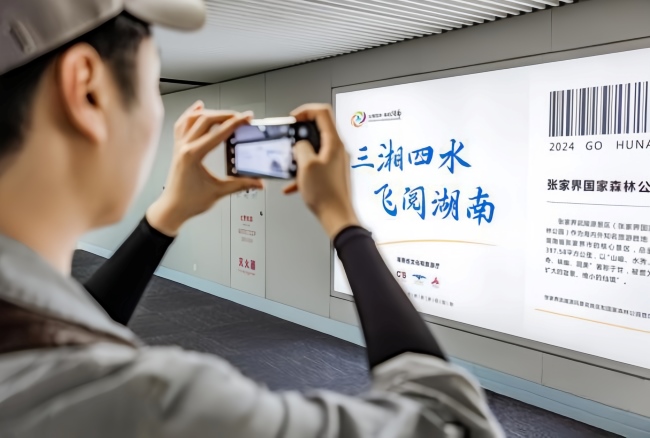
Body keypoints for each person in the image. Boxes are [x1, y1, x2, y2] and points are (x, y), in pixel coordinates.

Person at [0, 1, 504, 436]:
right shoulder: (152, 405)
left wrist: (167, 216)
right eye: (153, 82)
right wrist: (342, 220)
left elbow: (65, 328)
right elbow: (449, 421)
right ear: (87, 90)